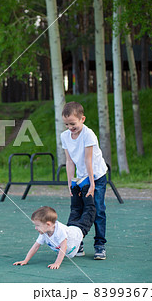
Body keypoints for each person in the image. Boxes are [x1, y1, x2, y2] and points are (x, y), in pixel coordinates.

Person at [61, 101, 108, 260]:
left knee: (97, 210)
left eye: (72, 123)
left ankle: (100, 245)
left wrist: (93, 184)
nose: (70, 127)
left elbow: (88, 160)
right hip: (80, 177)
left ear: (82, 119)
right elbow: (69, 161)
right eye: (66, 124)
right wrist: (70, 182)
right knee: (78, 209)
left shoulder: (88, 134)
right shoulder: (65, 136)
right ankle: (77, 243)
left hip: (96, 176)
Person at [13, 206, 93, 269]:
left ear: (48, 224)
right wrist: (25, 260)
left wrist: (57, 263)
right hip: (71, 228)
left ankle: (87, 193)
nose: (35, 228)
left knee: (89, 211)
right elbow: (35, 246)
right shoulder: (44, 232)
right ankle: (76, 190)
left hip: (80, 230)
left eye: (37, 225)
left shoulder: (59, 231)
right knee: (76, 210)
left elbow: (63, 247)